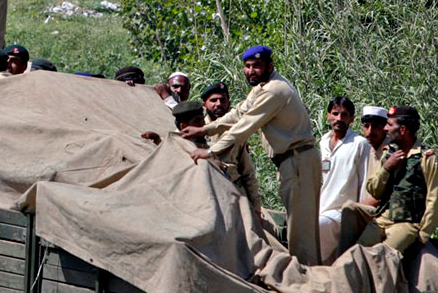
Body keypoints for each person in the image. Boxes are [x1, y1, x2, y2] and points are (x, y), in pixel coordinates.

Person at [182, 45, 321, 266]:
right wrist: (204, 130)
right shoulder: (262, 87)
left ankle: (308, 283)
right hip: (291, 162)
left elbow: (245, 126)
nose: (251, 71)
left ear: (269, 66)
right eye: (247, 66)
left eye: (256, 66)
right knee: (300, 231)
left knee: (301, 235)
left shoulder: (275, 90)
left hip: (298, 161)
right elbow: (238, 113)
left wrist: (210, 151)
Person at [352, 105, 437, 254]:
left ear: (403, 130)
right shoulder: (388, 154)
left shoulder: (426, 158)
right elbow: (373, 190)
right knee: (359, 251)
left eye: (390, 125)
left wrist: (423, 235)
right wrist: (386, 168)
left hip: (407, 224)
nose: (385, 128)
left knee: (385, 256)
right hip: (382, 219)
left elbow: (434, 199)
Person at [317, 96, 372, 264]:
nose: (339, 119)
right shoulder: (323, 142)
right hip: (322, 207)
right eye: (335, 113)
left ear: (352, 118)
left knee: (321, 226)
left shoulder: (359, 143)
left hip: (343, 212)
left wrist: (360, 215)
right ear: (328, 116)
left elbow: (365, 180)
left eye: (344, 115)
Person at [201, 82, 263, 216]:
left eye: (222, 100)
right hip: (205, 193)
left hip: (233, 191)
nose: (218, 104)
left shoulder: (236, 131)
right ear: (204, 104)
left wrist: (256, 207)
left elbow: (248, 173)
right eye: (213, 100)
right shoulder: (197, 129)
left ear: (228, 104)